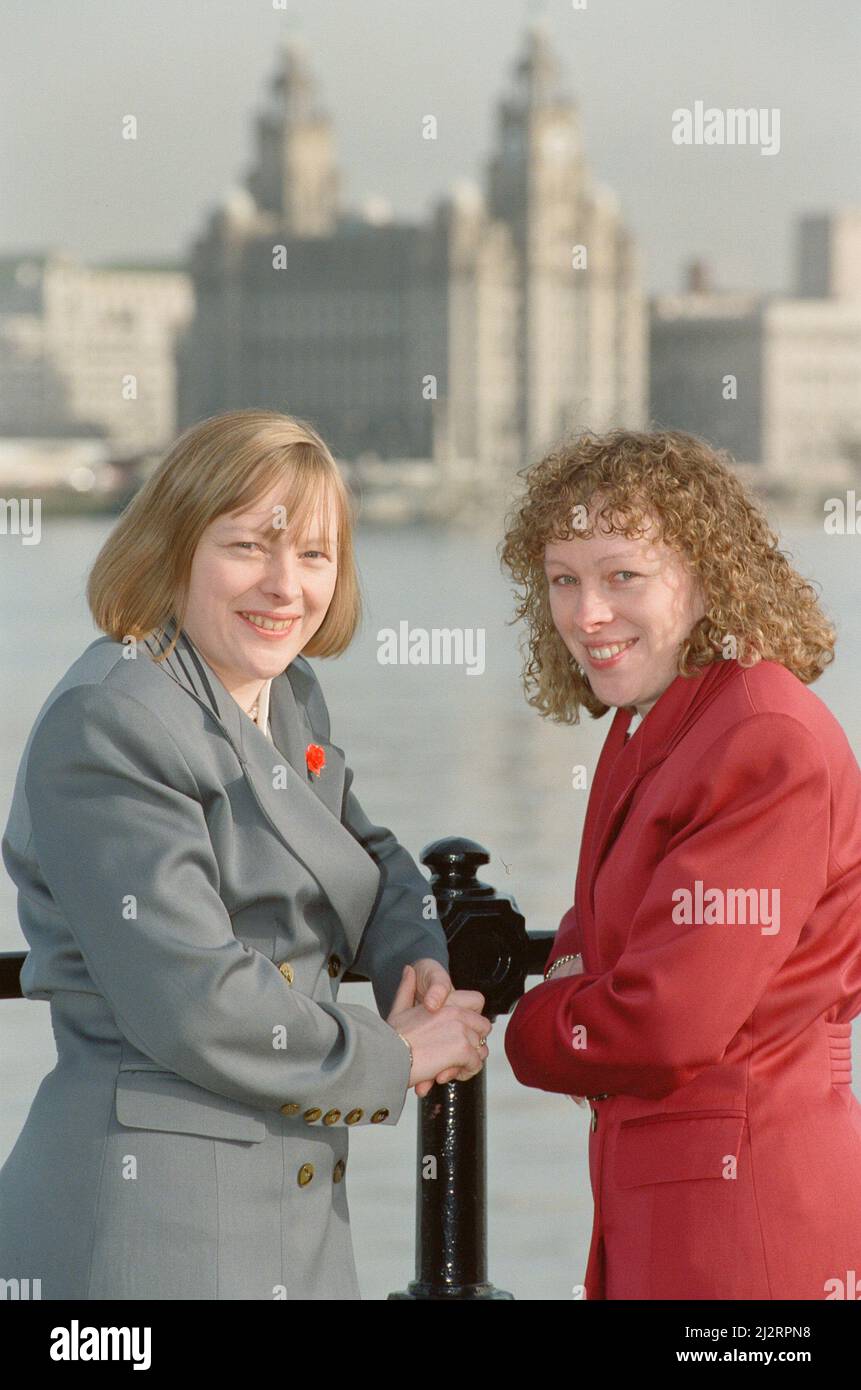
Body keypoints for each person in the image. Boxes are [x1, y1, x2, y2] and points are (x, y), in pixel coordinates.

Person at [0, 408, 491, 1300]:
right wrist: (397, 1054)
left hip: (288, 1211)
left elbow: (358, 849)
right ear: (173, 546)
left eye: (312, 554)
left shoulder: (280, 689)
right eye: (247, 547)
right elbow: (191, 997)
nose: (283, 586)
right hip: (152, 1224)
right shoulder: (111, 719)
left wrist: (410, 956)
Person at [500, 427, 861, 1301]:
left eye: (623, 575)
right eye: (563, 580)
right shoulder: (656, 718)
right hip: (674, 1205)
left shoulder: (757, 738)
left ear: (707, 576)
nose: (587, 613)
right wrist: (578, 974)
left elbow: (663, 1023)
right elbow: (598, 929)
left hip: (747, 1228)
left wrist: (525, 1028)